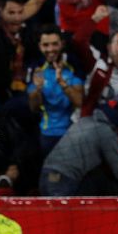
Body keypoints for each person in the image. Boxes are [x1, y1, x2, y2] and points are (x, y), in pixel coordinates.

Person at [39, 102, 118, 196]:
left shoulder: (85, 121)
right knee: (61, 225)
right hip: (63, 181)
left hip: (46, 175)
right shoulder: (107, 133)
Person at [28, 24, 84, 154]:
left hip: (72, 132)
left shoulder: (73, 66)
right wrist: (37, 89)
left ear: (62, 44)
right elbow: (34, 108)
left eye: (54, 44)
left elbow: (79, 102)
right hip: (48, 133)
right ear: (39, 46)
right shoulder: (36, 70)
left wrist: (62, 83)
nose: (50, 49)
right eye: (46, 45)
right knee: (51, 172)